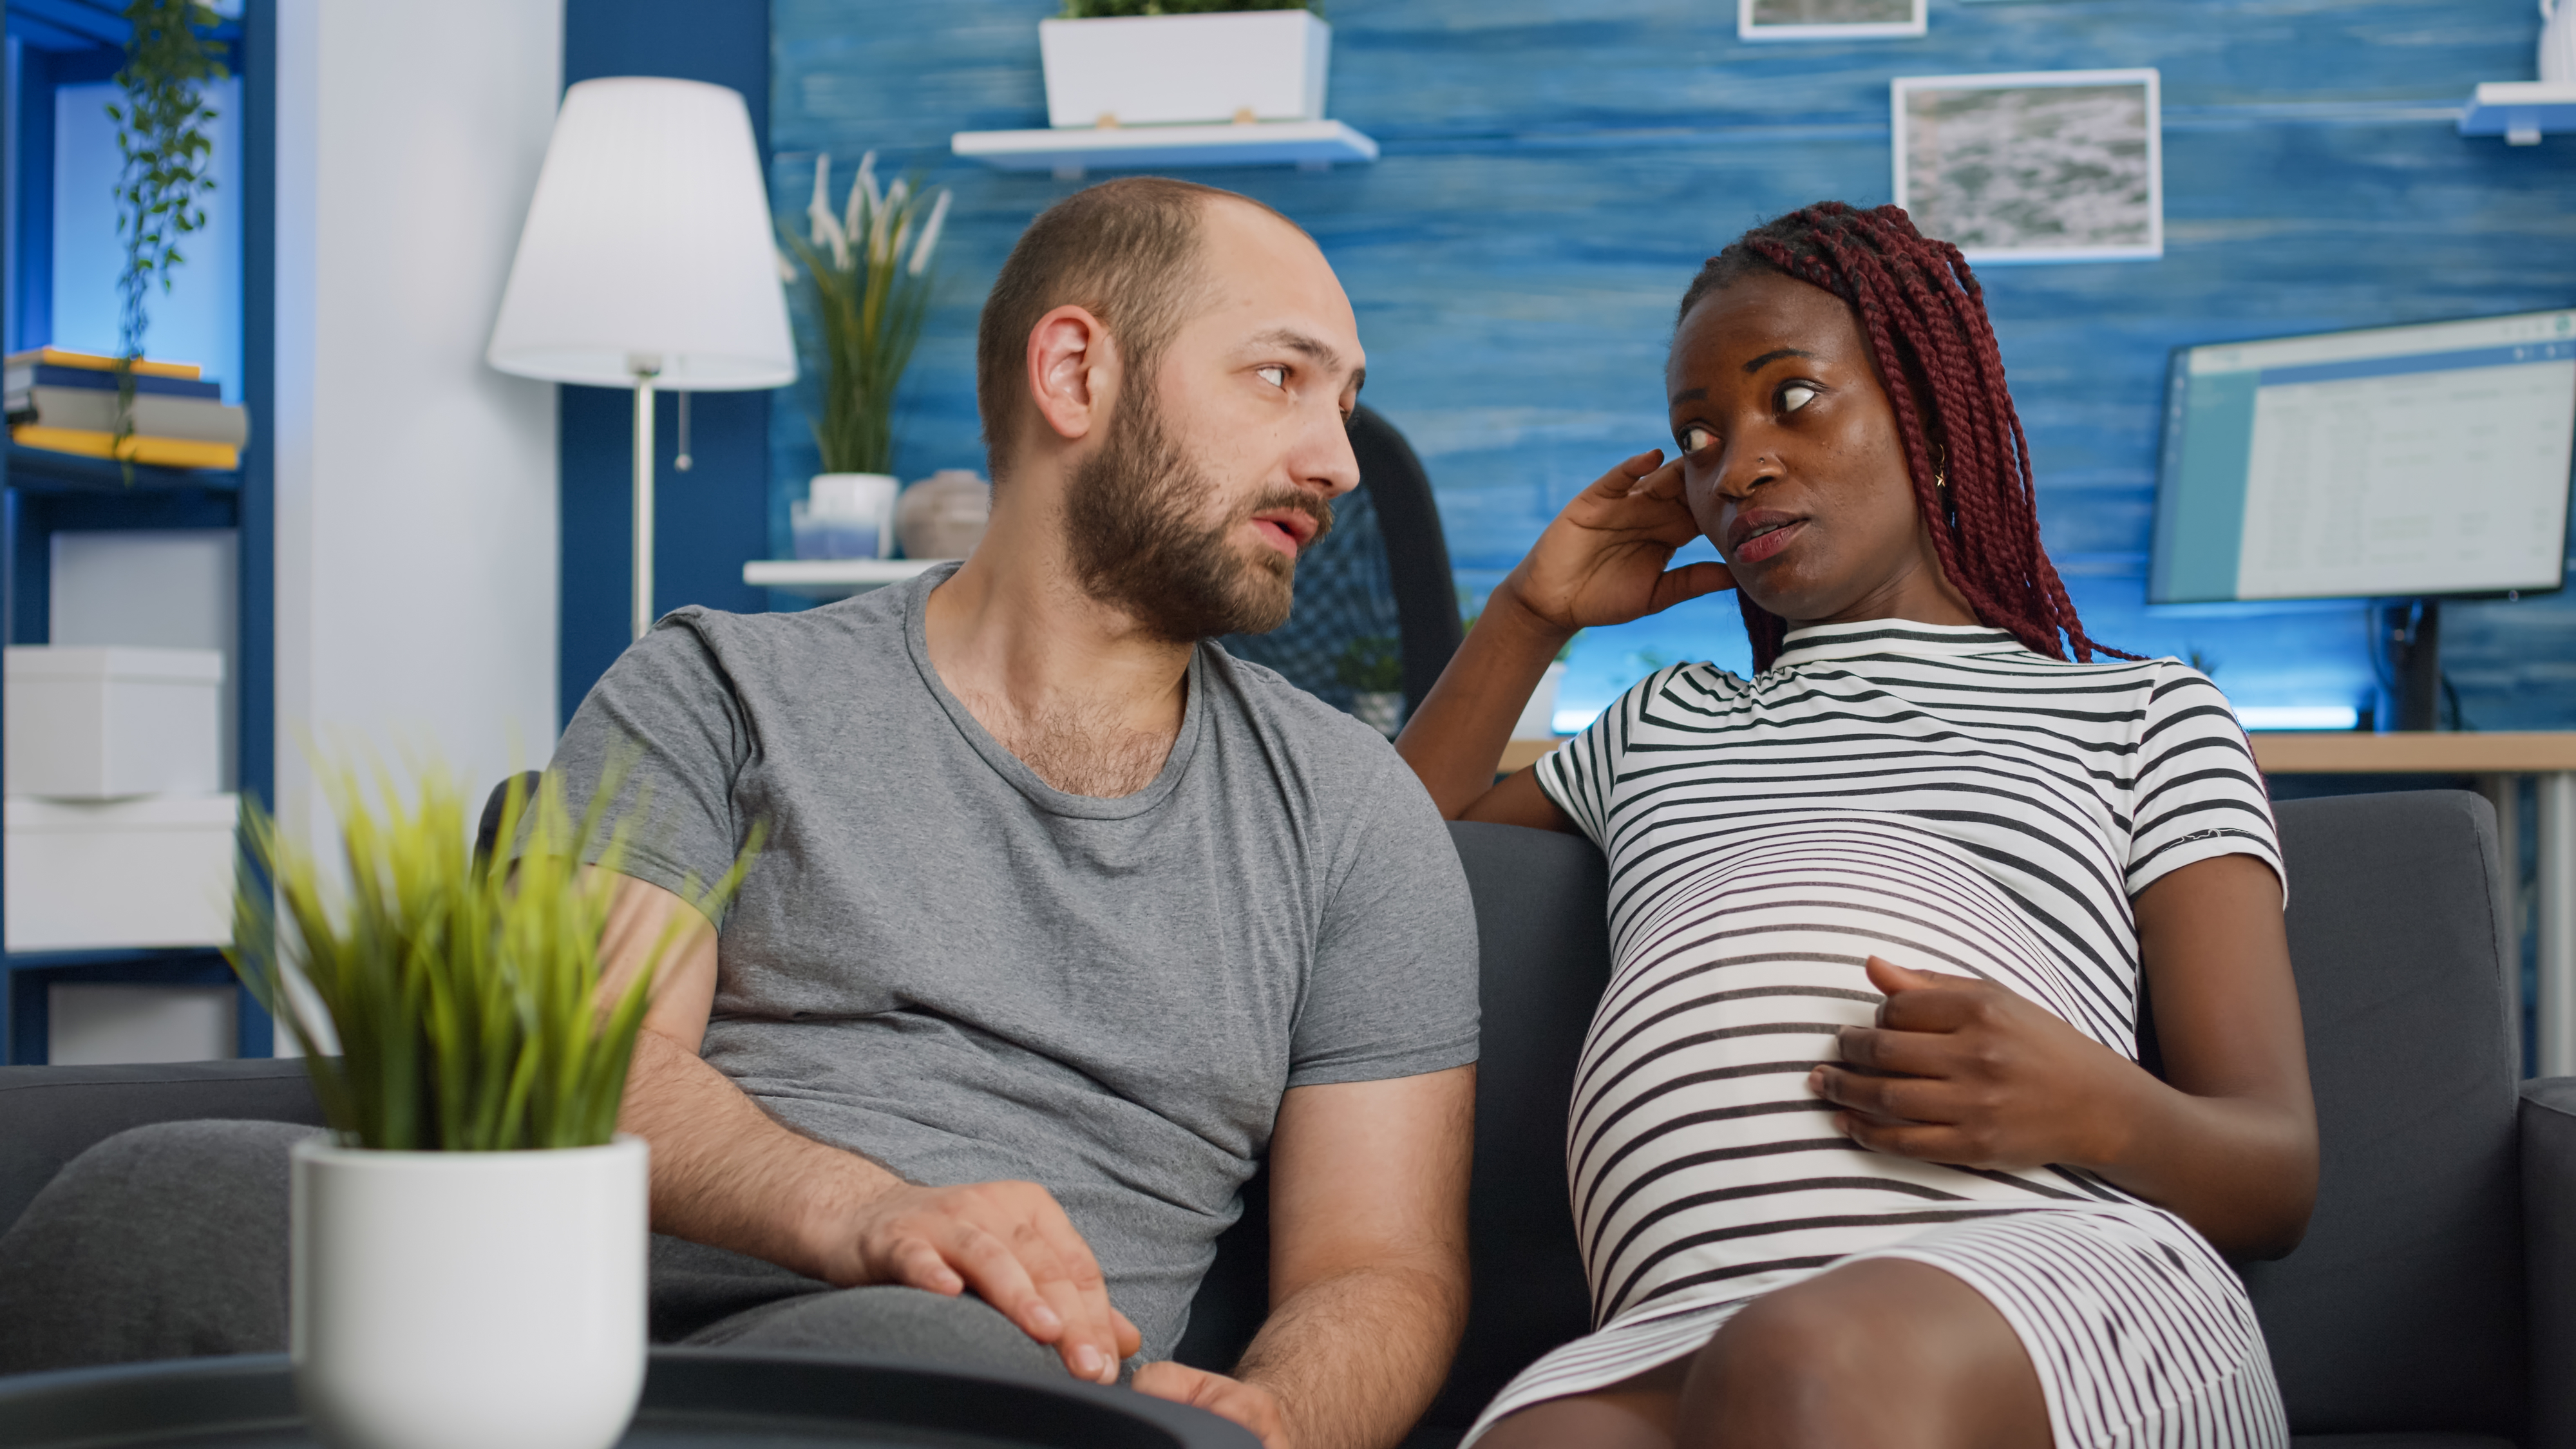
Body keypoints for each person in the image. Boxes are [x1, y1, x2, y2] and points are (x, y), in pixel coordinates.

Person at [0, 178, 1481, 1449]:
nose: (1337, 462)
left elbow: (1378, 1265)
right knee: (163, 1200)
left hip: (957, 1347)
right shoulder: (717, 686)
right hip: (554, 1287)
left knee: (929, 1370)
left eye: (1345, 404)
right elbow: (586, 1055)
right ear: (1076, 373)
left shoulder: (1348, 817)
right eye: (1280, 379)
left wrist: (1273, 1415)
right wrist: (870, 1210)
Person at [1394, 202, 2316, 1449]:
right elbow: (1379, 878)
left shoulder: (2139, 713)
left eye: (1791, 399)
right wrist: (1527, 614)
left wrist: (2087, 1104)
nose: (1737, 466)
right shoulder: (1663, 721)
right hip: (1676, 1321)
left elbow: (2273, 1168)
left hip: (2038, 1282)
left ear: (1929, 421)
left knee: (1803, 1370)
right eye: (1696, 437)